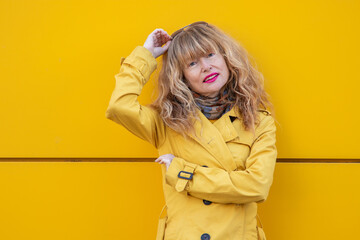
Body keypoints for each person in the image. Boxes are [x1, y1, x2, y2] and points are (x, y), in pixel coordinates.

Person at [105, 21, 277, 240]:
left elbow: (257, 187)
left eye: (210, 55)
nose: (205, 66)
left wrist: (183, 174)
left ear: (226, 58)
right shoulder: (167, 122)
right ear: (182, 76)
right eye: (192, 63)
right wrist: (146, 55)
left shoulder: (258, 121)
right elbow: (119, 107)